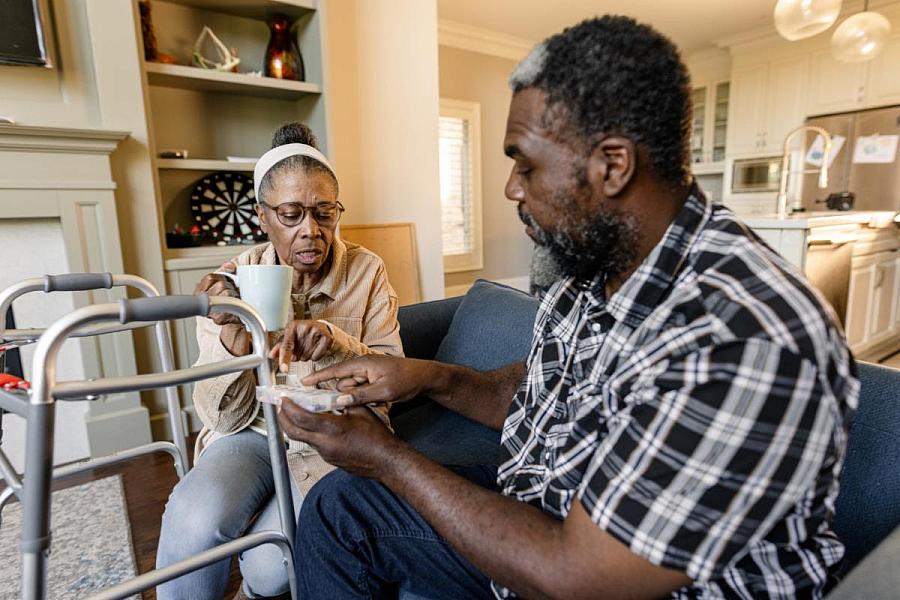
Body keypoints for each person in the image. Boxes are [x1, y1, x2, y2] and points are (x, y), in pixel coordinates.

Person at [277, 16, 859, 600]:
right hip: (550, 512)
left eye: (525, 163)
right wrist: (425, 379)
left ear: (612, 164)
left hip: (596, 572)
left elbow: (584, 578)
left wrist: (388, 459)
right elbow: (546, 394)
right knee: (339, 510)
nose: (511, 188)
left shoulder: (742, 334)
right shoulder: (592, 265)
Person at [155, 122, 402, 599]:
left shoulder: (366, 271)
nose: (311, 230)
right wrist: (232, 337)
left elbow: (393, 381)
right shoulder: (233, 281)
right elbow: (222, 417)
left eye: (324, 213)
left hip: (330, 430)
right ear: (262, 217)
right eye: (290, 214)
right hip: (252, 431)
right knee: (194, 516)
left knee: (270, 569)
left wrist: (334, 341)